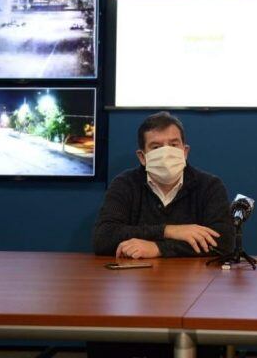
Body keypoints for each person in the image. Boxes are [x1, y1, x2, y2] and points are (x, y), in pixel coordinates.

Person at [92, 111, 234, 258]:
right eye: (156, 147)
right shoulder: (125, 184)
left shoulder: (209, 186)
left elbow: (224, 242)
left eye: (173, 145)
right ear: (142, 157)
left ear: (185, 152)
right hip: (138, 278)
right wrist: (168, 231)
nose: (166, 152)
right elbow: (103, 238)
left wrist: (158, 248)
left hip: (194, 279)